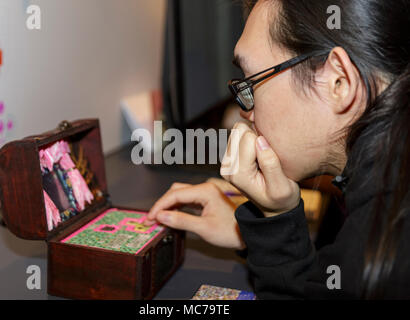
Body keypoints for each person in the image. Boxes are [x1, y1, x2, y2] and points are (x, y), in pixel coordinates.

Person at [144, 0, 410, 299]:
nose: (246, 112)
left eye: (251, 82)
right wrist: (270, 222)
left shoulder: (384, 247)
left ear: (339, 82)